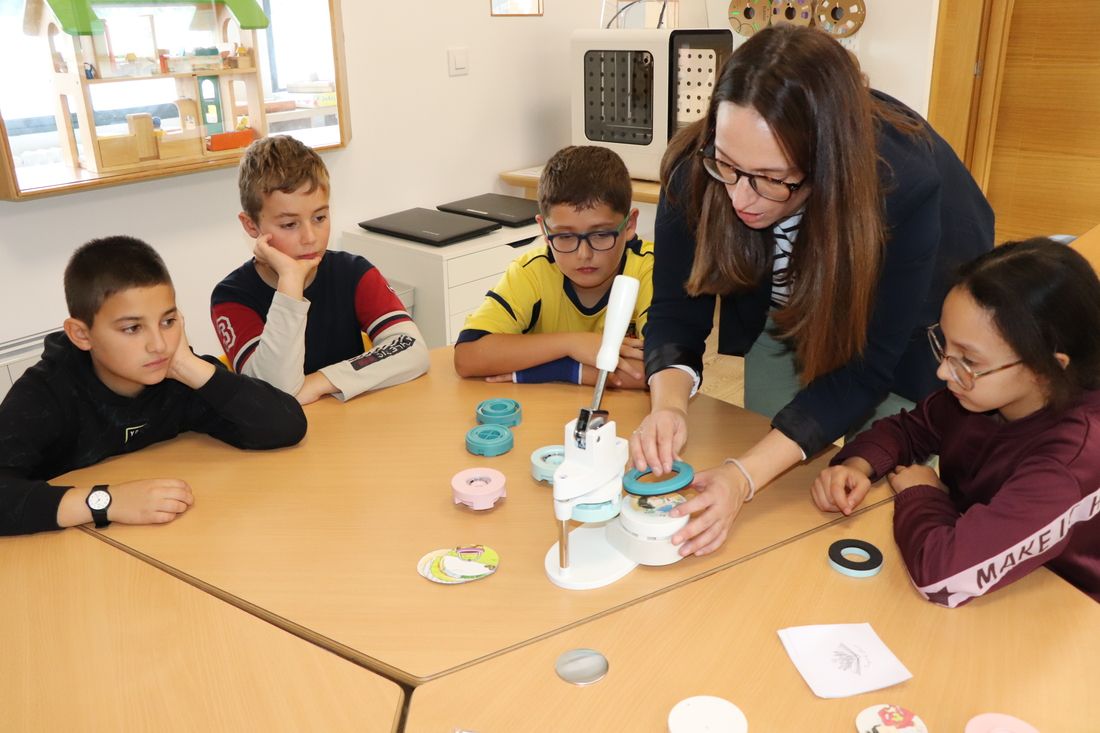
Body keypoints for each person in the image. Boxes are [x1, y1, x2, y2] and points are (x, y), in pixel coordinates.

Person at [630, 25, 995, 557]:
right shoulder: (700, 167)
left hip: (906, 325)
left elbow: (866, 367)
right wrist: (669, 406)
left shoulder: (902, 185)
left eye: (771, 178)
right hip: (790, 310)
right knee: (780, 479)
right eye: (728, 166)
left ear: (826, 167)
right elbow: (674, 307)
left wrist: (742, 478)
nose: (740, 198)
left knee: (879, 494)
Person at [812, 239, 1100, 606]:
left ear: (1047, 368)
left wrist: (923, 495)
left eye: (968, 360)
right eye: (945, 345)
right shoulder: (978, 394)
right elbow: (908, 429)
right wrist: (857, 465)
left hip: (1056, 608)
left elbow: (944, 576)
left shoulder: (1073, 459)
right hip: (985, 564)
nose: (943, 370)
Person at [0, 236, 308, 537]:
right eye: (133, 328)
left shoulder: (176, 378)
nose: (159, 345)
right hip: (59, 551)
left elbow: (286, 426)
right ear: (81, 335)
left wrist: (189, 367)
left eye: (168, 321)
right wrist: (108, 502)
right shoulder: (47, 392)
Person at [211, 135, 429, 404]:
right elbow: (272, 393)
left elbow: (412, 348)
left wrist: (320, 383)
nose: (310, 237)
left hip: (350, 425)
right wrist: (290, 282)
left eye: (320, 218)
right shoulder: (231, 297)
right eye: (290, 224)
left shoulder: (354, 272)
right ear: (251, 226)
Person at [453, 145, 653, 388]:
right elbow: (468, 357)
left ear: (630, 224)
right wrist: (573, 343)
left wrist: (562, 368)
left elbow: (657, 370)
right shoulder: (531, 272)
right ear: (544, 230)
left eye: (600, 235)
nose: (583, 254)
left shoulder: (651, 270)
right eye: (565, 237)